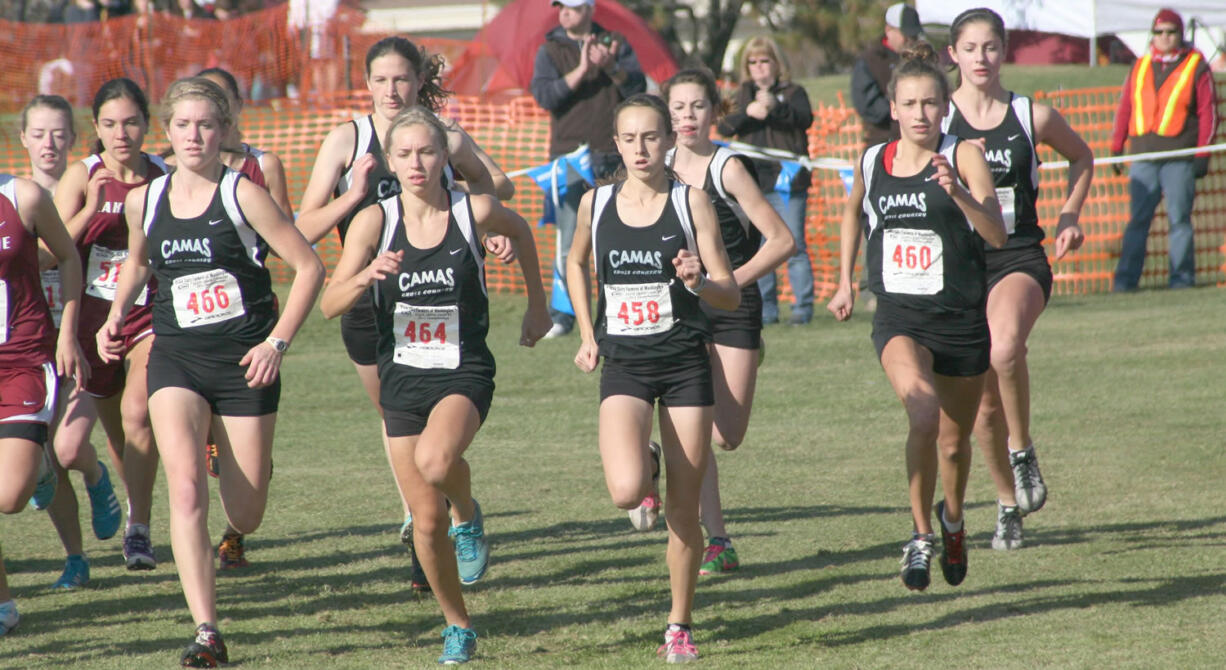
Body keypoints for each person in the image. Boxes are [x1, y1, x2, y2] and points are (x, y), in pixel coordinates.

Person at [97, 76, 324, 667]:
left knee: (245, 511)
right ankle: (206, 630)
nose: (194, 135)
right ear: (166, 133)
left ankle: (249, 463)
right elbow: (139, 262)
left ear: (223, 131)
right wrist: (117, 313)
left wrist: (277, 342)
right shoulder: (146, 198)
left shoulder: (242, 194)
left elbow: (308, 266)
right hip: (176, 359)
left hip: (246, 362)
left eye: (205, 124)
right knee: (188, 490)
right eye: (182, 125)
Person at [320, 106, 551, 665]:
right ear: (390, 164)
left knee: (436, 460)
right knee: (424, 520)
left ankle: (467, 513)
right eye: (405, 154)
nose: (417, 162)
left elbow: (520, 230)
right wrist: (364, 277)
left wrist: (537, 308)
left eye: (427, 151)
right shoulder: (376, 221)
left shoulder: (474, 211)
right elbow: (329, 303)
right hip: (402, 377)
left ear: (444, 157)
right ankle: (458, 624)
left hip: (462, 370)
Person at [297, 36, 513, 592]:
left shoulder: (442, 136)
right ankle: (429, 519)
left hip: (442, 299)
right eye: (381, 80)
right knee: (401, 426)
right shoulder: (346, 140)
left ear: (419, 82)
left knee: (431, 449)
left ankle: (437, 527)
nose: (392, 90)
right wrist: (356, 196)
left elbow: (500, 188)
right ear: (366, 85)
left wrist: (479, 227)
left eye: (402, 79)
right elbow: (302, 229)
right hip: (369, 304)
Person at [566, 93, 740, 663]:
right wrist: (589, 335)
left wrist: (696, 281)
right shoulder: (596, 202)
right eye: (629, 138)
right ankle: (650, 464)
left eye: (651, 137)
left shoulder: (693, 203)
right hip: (626, 364)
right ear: (616, 144)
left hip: (685, 361)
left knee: (682, 513)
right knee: (624, 491)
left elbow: (729, 291)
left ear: (668, 140)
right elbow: (575, 261)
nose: (641, 149)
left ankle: (679, 623)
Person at [827, 43, 1006, 591]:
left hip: (960, 318)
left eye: (931, 103)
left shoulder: (964, 155)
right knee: (921, 415)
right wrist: (843, 282)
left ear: (944, 106)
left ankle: (953, 519)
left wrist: (962, 197)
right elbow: (853, 214)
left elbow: (997, 234)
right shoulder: (870, 161)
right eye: (911, 103)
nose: (921, 113)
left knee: (954, 444)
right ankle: (920, 536)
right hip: (900, 316)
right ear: (894, 107)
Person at [942, 7, 1092, 549]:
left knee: (1006, 350)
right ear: (952, 54)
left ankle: (1023, 451)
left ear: (1003, 53)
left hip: (1018, 257)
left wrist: (1070, 215)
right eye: (971, 48)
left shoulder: (1031, 116)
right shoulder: (936, 123)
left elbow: (1083, 157)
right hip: (961, 268)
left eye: (991, 47)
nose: (981, 58)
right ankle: (1007, 504)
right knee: (982, 406)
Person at [662, 69, 795, 574]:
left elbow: (782, 240)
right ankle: (716, 538)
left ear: (714, 111)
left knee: (726, 435)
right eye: (678, 108)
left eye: (698, 106)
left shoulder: (728, 167)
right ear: (666, 113)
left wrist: (728, 282)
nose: (687, 117)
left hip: (732, 304)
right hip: (679, 310)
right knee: (694, 426)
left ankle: (656, 457)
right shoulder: (658, 165)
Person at [54, 78, 168, 572]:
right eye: (109, 124)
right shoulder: (83, 176)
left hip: (150, 313)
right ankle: (128, 505)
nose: (121, 133)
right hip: (91, 320)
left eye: (131, 122)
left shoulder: (165, 174)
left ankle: (138, 528)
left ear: (146, 123)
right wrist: (89, 209)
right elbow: (47, 252)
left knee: (140, 414)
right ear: (96, 127)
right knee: (120, 435)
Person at [22, 95, 124, 590]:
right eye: (39, 134)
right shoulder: (17, 196)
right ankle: (75, 557)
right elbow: (42, 256)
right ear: (22, 139)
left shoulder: (90, 180)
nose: (49, 144)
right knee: (42, 456)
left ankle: (97, 475)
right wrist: (86, 212)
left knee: (66, 447)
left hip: (77, 335)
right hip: (25, 344)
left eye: (59, 133)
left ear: (75, 137)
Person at [194, 66, 294, 570]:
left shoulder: (262, 166)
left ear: (232, 110)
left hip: (251, 324)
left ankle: (234, 533)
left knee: (246, 454)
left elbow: (288, 237)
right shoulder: (176, 167)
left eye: (218, 104)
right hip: (191, 330)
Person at [0, 169, 88, 638]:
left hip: (22, 362)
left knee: (9, 498)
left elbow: (69, 257)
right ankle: (4, 604)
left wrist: (68, 332)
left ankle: (39, 465)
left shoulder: (24, 197)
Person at [530, 0, 647, 338]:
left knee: (619, 236)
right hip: (568, 159)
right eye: (561, 7)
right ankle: (563, 316)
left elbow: (636, 89)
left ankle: (620, 307)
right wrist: (581, 70)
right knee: (569, 241)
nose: (565, 12)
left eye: (573, 7)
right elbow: (545, 96)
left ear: (590, 10)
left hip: (613, 155)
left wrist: (612, 68)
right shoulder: (549, 51)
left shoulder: (615, 42)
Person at [1110, 7, 1218, 291]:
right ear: (1152, 35)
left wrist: (1202, 155)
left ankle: (1181, 280)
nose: (1165, 37)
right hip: (1144, 156)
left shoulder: (1196, 66)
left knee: (1179, 221)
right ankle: (1125, 282)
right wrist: (1116, 146)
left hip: (1178, 158)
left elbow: (1208, 113)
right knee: (1137, 222)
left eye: (1171, 32)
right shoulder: (1140, 65)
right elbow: (1125, 108)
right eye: (1159, 32)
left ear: (1180, 35)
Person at [717, 37, 815, 326]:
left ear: (776, 63)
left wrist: (777, 108)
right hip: (753, 181)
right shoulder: (739, 94)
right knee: (760, 247)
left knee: (794, 243)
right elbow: (723, 126)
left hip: (789, 180)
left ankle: (803, 308)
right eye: (753, 62)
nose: (759, 67)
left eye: (764, 60)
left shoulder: (794, 91)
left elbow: (804, 119)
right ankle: (767, 309)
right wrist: (746, 113)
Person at [851, 2, 924, 147]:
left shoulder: (924, 57)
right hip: (883, 143)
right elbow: (869, 106)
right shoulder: (870, 60)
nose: (911, 40)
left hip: (922, 142)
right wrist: (905, 111)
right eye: (906, 34)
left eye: (914, 35)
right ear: (889, 30)